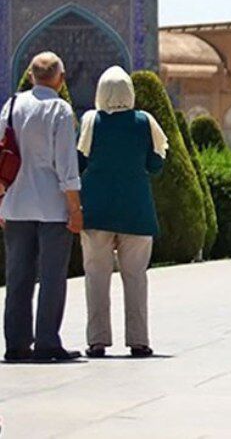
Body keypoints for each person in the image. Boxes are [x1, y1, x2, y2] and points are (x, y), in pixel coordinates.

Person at [77, 66, 168, 358]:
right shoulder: (144, 121)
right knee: (136, 278)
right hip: (136, 212)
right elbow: (156, 165)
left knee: (96, 277)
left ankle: (97, 341)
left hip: (96, 212)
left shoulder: (91, 121)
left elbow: (79, 162)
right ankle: (139, 341)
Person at [0, 52, 83, 362]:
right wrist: (74, 208)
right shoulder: (59, 109)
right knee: (51, 277)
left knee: (18, 276)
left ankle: (17, 345)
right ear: (60, 80)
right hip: (53, 207)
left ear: (31, 76)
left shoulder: (11, 105)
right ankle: (47, 342)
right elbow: (66, 164)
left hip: (16, 204)